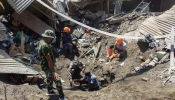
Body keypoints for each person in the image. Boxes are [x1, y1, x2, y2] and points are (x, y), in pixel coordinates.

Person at [38, 30, 65, 97]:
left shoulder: (41, 42)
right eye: (51, 38)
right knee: (57, 79)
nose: (52, 39)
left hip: (44, 64)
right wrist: (53, 72)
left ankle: (50, 90)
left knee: (49, 77)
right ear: (48, 37)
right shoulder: (45, 47)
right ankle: (62, 96)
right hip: (47, 65)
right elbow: (49, 60)